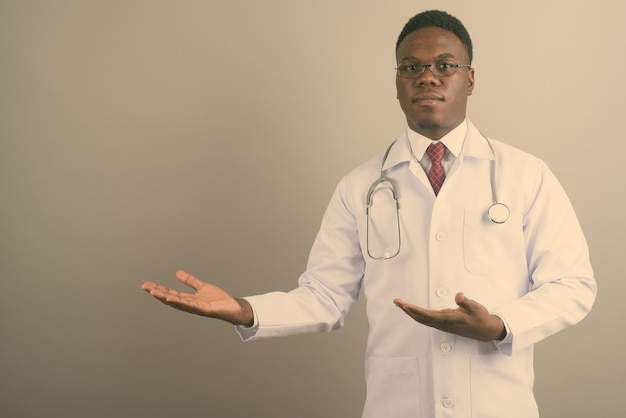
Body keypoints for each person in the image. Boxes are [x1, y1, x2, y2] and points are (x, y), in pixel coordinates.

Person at [141, 10, 596, 418]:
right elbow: (323, 297)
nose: (428, 78)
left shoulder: (525, 175)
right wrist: (243, 310)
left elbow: (572, 285)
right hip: (397, 407)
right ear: (396, 82)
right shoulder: (359, 186)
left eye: (445, 65)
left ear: (470, 79)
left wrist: (501, 326)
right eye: (411, 67)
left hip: (499, 406)